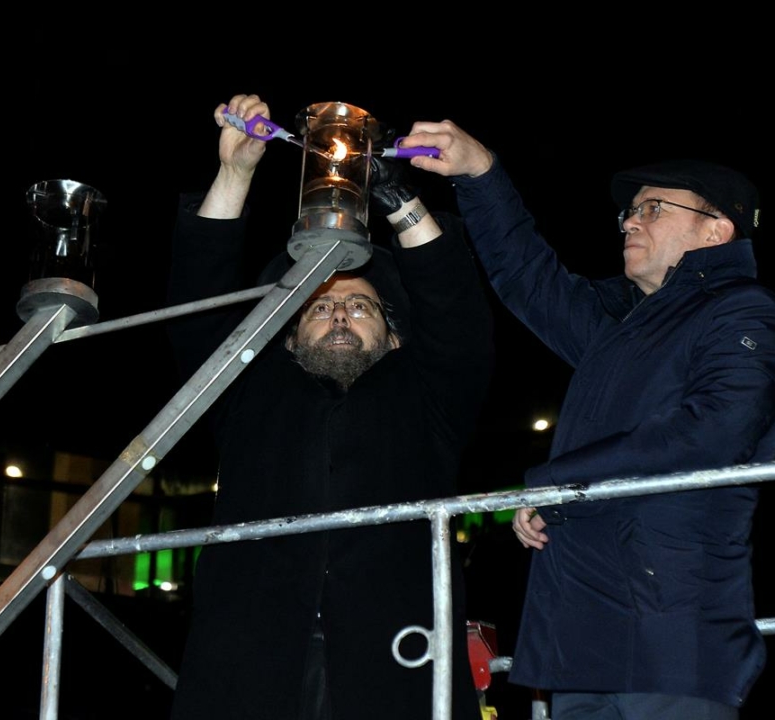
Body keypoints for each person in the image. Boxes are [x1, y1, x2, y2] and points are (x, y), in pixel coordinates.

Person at [397, 120, 775, 719]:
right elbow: (528, 278)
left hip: (670, 635)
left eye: (652, 207)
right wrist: (480, 172)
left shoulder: (742, 312)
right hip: (581, 635)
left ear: (717, 229)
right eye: (627, 211)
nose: (629, 220)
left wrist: (558, 485)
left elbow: (717, 429)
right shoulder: (619, 329)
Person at [165, 94, 495, 720]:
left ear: (396, 336)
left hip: (396, 666)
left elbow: (457, 317)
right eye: (318, 307)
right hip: (249, 666)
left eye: (362, 307)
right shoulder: (247, 396)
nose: (340, 313)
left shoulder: (430, 403)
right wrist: (235, 173)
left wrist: (394, 197)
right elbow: (199, 307)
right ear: (286, 337)